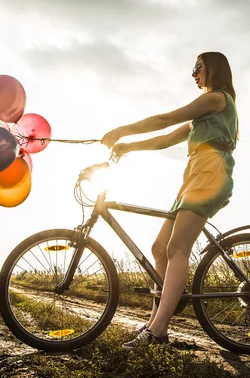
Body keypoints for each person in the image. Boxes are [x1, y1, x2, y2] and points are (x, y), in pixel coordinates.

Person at [101, 51, 239, 348]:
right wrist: (128, 146)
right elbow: (165, 139)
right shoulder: (205, 114)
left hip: (210, 173)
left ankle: (159, 330)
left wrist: (122, 129)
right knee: (160, 248)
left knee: (178, 247)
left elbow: (167, 119)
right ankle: (154, 324)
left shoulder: (217, 98)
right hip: (195, 174)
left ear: (214, 68)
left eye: (198, 67)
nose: (193, 74)